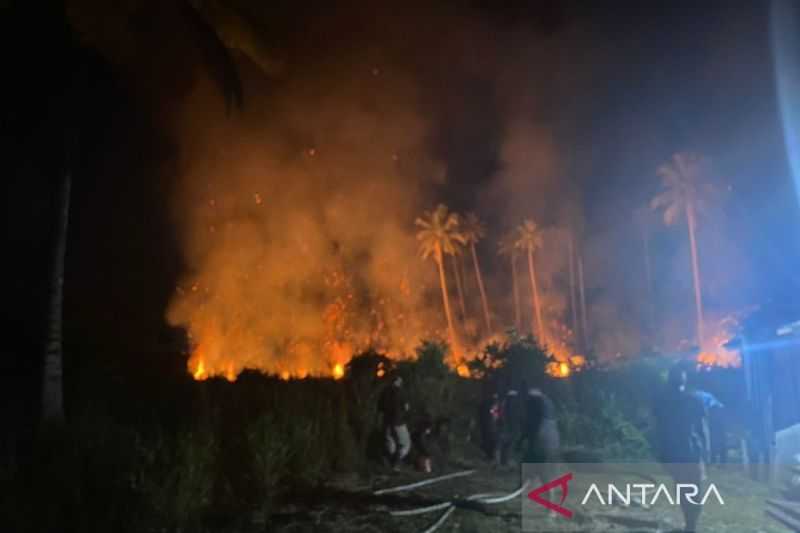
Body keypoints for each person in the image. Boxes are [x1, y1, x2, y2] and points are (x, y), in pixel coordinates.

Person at [653, 364, 707, 532]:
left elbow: (658, 430)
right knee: (693, 489)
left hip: (676, 453)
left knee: (684, 489)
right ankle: (691, 524)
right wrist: (708, 451)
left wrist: (661, 453)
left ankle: (690, 524)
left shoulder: (663, 403)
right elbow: (702, 428)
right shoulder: (694, 400)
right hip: (690, 453)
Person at [521, 387, 560, 490]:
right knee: (542, 463)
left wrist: (521, 440)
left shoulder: (535, 403)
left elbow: (531, 425)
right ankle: (535, 484)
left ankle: (530, 485)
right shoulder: (548, 403)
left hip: (540, 441)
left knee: (534, 463)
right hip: (551, 441)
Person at [378, 374, 411, 471]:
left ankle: (388, 461)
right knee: (405, 444)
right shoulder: (400, 392)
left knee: (390, 443)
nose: (401, 382)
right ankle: (396, 464)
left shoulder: (384, 392)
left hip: (386, 422)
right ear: (397, 381)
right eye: (400, 381)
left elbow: (380, 408)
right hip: (398, 422)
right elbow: (406, 407)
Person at [498, 385, 522, 467]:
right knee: (507, 444)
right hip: (508, 426)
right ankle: (505, 462)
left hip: (505, 426)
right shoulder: (510, 404)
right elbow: (510, 415)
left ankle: (503, 462)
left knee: (505, 445)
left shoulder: (505, 402)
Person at [479, 389, 503, 465]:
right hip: (490, 425)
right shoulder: (491, 405)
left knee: (493, 441)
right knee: (489, 440)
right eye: (494, 399)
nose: (495, 400)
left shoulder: (497, 406)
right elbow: (492, 414)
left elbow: (498, 416)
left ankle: (490, 456)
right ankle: (489, 455)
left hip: (493, 426)